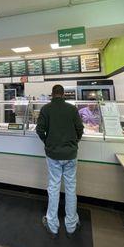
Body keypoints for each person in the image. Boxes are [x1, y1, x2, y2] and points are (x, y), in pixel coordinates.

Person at [36, 85, 84, 238]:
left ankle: (52, 225)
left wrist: (48, 142)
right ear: (63, 94)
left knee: (54, 187)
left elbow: (39, 130)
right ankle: (71, 225)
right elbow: (80, 128)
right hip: (70, 154)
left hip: (53, 155)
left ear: (52, 94)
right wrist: (74, 142)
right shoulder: (72, 109)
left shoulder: (46, 109)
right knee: (70, 187)